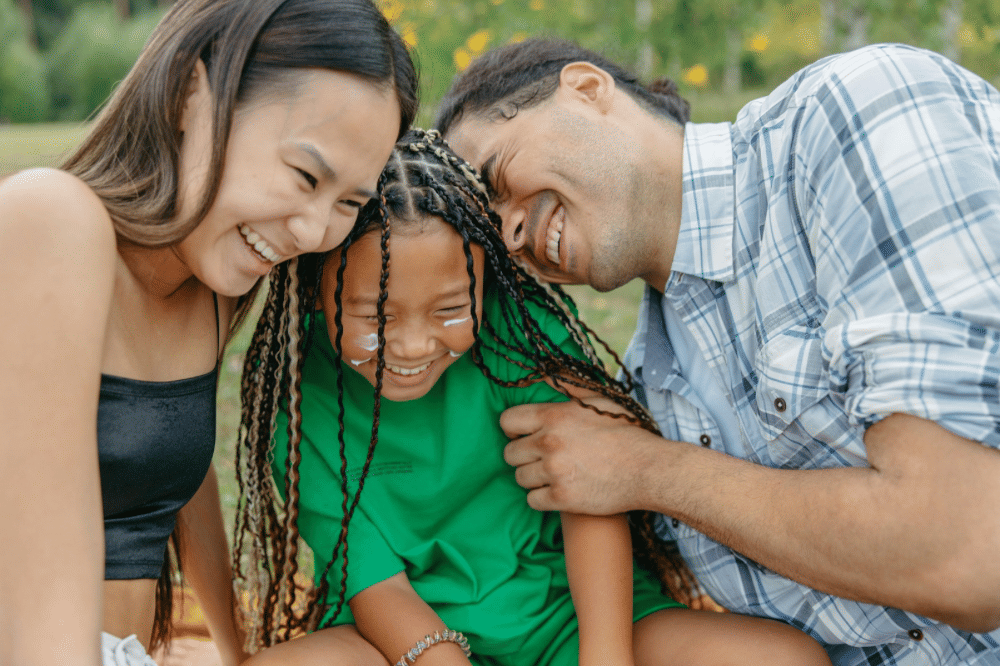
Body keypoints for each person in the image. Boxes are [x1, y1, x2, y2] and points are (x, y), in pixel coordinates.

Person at [435, 38, 1000, 665]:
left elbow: (971, 556)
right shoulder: (643, 392)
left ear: (588, 89)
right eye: (490, 234)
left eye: (497, 175)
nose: (510, 234)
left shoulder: (850, 112)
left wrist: (648, 472)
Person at [231, 128, 832, 666]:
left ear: (486, 282)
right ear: (314, 292)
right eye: (374, 316)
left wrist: (604, 656)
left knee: (785, 659)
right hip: (410, 641)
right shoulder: (303, 400)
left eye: (449, 310)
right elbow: (374, 585)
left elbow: (589, 497)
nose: (413, 346)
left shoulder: (519, 342)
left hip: (569, 619)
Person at [0, 0, 417, 664]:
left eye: (347, 203)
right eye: (305, 175)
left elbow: (172, 465)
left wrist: (235, 649)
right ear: (193, 94)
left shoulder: (214, 284)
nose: (311, 233)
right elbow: (39, 595)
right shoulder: (51, 218)